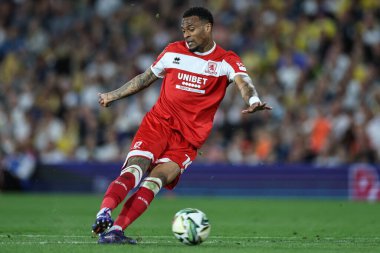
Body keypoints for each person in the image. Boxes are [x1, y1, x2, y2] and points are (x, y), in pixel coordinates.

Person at [92, 6, 272, 244]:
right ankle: (104, 211)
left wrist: (254, 100)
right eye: (183, 29)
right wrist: (112, 95)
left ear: (208, 28)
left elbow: (244, 82)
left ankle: (116, 230)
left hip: (188, 140)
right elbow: (144, 79)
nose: (186, 34)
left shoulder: (225, 60)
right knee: (135, 168)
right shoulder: (172, 52)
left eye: (191, 29)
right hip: (158, 124)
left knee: (155, 181)